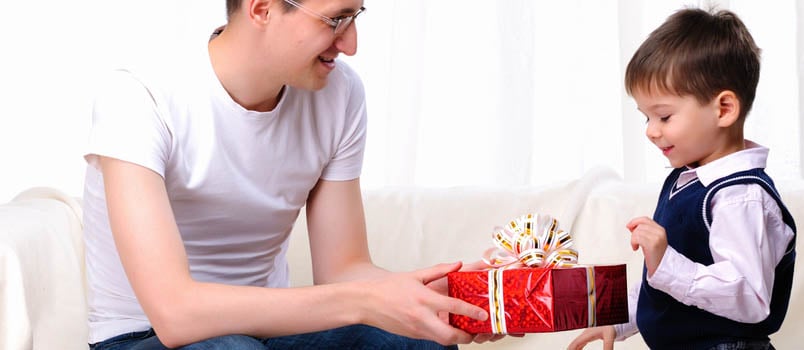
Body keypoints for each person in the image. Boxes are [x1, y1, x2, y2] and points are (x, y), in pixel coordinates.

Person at [82, 0, 496, 348]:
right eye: (336, 19)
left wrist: (431, 299)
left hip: (273, 329)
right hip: (143, 335)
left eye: (356, 18)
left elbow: (343, 270)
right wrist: (365, 302)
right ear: (261, 9)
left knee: (414, 341)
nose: (350, 44)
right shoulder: (138, 96)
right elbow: (175, 314)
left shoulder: (340, 94)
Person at [569, 7, 796, 350]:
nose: (650, 131)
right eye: (645, 117)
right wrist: (618, 322)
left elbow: (750, 297)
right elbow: (660, 286)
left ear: (723, 109)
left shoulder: (740, 197)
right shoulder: (687, 180)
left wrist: (666, 263)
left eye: (663, 116)